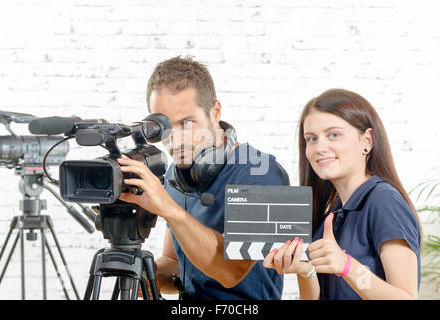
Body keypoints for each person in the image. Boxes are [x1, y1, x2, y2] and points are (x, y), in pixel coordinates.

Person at [116, 56, 290, 299]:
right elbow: (174, 264)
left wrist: (168, 209)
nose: (175, 140)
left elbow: (231, 272)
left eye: (186, 123)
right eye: (164, 128)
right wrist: (141, 274)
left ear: (215, 111)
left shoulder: (263, 174)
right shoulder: (177, 177)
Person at [263, 88, 422, 300]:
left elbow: (407, 297)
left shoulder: (384, 202)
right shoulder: (332, 215)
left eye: (334, 135)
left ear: (367, 141)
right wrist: (306, 271)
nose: (320, 147)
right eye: (311, 138)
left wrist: (345, 265)